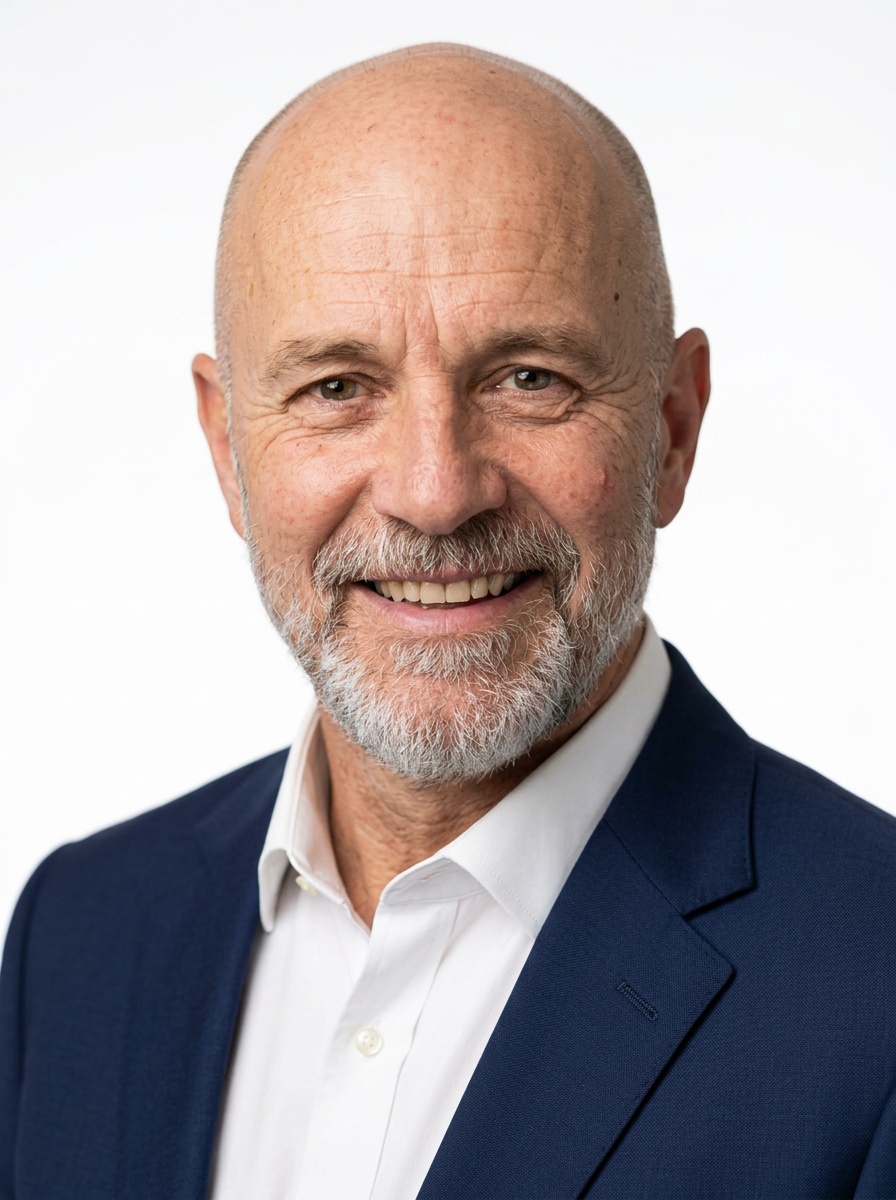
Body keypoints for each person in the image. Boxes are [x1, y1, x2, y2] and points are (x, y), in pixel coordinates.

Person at [1, 41, 894, 1200]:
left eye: (528, 378)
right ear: (227, 449)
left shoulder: (872, 984)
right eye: (336, 388)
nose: (433, 491)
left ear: (672, 429)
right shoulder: (79, 934)